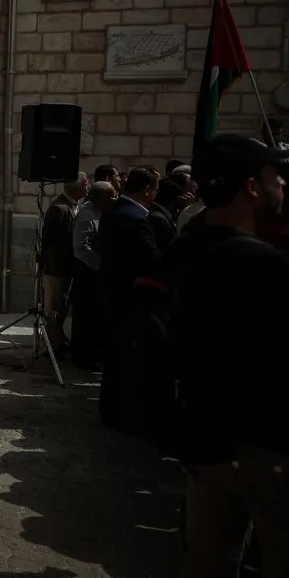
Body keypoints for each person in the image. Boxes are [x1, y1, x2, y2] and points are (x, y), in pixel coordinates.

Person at [167, 135, 289, 578]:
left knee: (208, 561)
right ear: (251, 186)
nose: (281, 183)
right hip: (269, 448)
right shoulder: (271, 268)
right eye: (273, 176)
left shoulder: (184, 250)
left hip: (205, 441)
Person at [95, 166, 161, 431]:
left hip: (111, 291)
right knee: (125, 358)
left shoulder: (113, 210)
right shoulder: (136, 218)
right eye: (155, 189)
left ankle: (110, 410)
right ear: (147, 190)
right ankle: (121, 414)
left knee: (113, 356)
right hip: (128, 296)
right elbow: (152, 259)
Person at [38, 172, 87, 352]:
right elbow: (48, 241)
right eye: (85, 184)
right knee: (54, 308)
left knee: (63, 307)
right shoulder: (59, 208)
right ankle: (52, 345)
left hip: (67, 268)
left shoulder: (74, 206)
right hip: (57, 268)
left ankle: (58, 340)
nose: (87, 188)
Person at [71, 181, 116, 369]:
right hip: (87, 273)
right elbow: (81, 248)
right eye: (111, 197)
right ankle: (84, 357)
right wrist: (101, 265)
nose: (114, 200)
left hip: (94, 272)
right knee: (86, 315)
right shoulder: (88, 216)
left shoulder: (100, 213)